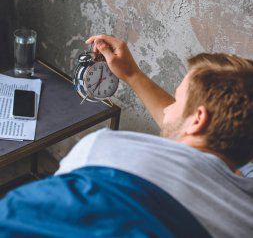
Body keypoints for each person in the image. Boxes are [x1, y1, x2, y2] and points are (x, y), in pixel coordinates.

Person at [55, 34, 253, 238]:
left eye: (176, 101)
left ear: (197, 119)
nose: (167, 110)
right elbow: (186, 129)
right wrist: (131, 73)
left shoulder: (103, 148)